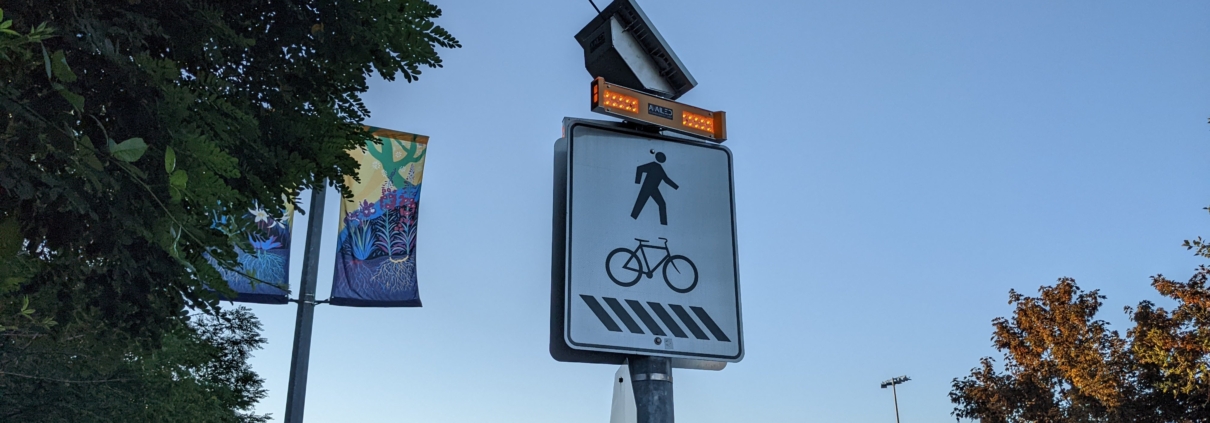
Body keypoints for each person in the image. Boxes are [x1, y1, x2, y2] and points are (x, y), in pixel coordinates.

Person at [631, 151, 678, 225]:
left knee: (662, 204)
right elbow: (640, 168)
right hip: (646, 187)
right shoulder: (653, 165)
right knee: (640, 203)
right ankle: (632, 218)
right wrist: (637, 182)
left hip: (654, 189)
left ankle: (663, 223)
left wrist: (676, 187)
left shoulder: (660, 169)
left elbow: (666, 179)